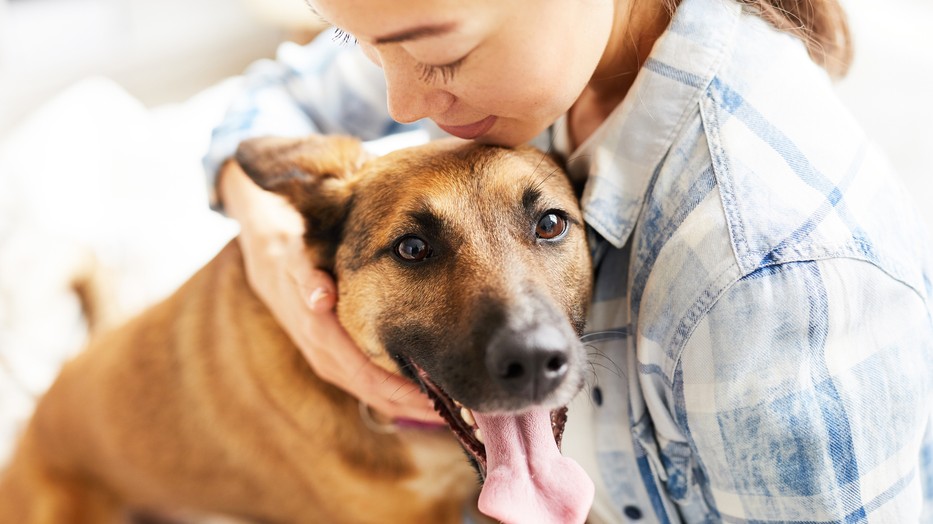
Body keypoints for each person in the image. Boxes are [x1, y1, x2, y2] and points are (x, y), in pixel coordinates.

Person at [203, 0, 933, 521]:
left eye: (438, 54)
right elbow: (271, 100)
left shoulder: (763, 283)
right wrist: (273, 246)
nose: (400, 103)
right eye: (361, 43)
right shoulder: (500, 36)